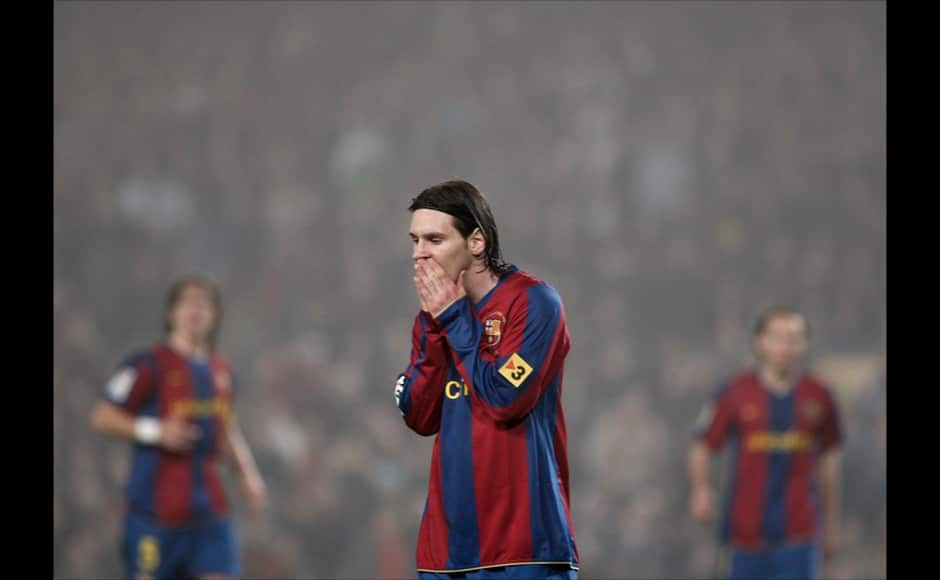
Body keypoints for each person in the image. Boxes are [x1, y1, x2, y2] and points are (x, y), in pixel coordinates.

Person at [395, 179, 579, 580]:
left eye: (434, 239)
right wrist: (434, 325)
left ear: (476, 242)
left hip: (525, 550)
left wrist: (453, 319)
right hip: (444, 557)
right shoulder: (433, 320)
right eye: (414, 240)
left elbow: (505, 398)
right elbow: (419, 417)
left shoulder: (533, 302)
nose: (418, 253)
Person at [90, 275, 266, 580]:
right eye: (188, 301)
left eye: (204, 303)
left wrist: (247, 473)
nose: (196, 309)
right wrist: (155, 431)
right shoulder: (147, 366)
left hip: (209, 516)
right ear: (172, 313)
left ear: (215, 316)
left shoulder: (220, 371)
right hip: (153, 518)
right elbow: (102, 415)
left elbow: (226, 428)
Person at [688, 306, 842, 580]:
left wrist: (830, 522)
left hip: (799, 535)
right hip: (744, 536)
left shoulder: (819, 396)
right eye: (778, 338)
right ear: (760, 342)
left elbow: (829, 457)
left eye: (793, 338)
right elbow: (703, 444)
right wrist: (701, 489)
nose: (785, 347)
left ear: (805, 344)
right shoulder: (735, 392)